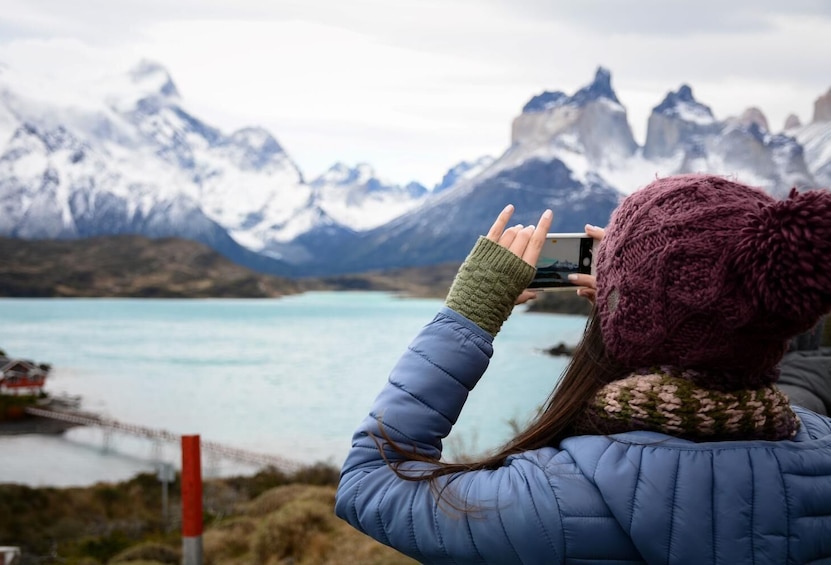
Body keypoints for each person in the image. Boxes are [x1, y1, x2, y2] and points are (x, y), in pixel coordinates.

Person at [335, 174, 831, 564]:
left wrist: (470, 313)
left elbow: (371, 484)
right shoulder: (819, 447)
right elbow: (742, 341)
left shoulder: (544, 502)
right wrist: (644, 307)